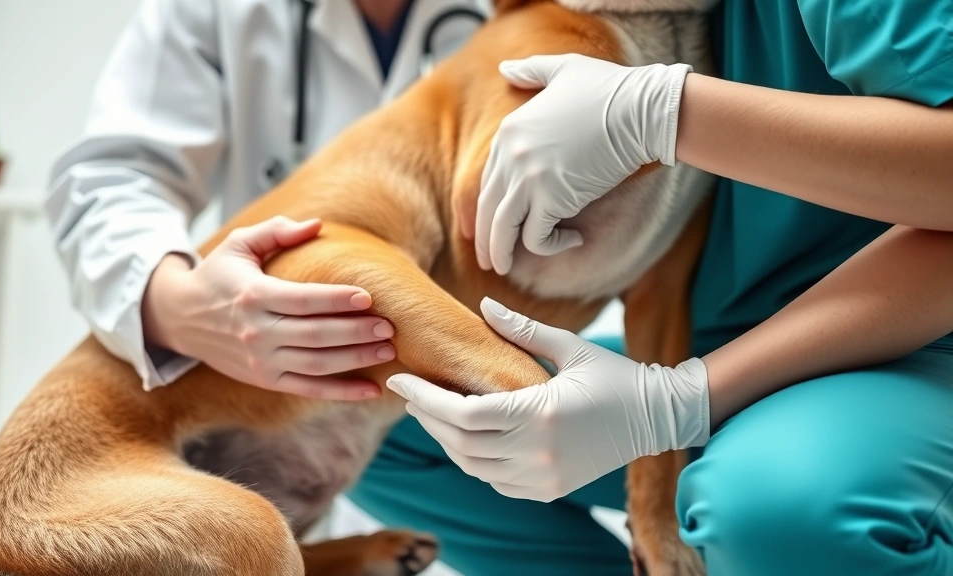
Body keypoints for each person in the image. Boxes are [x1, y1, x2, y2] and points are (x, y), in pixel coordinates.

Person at [351, 2, 953, 575]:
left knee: (777, 514)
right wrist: (263, 262)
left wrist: (664, 112)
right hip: (720, 334)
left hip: (913, 340)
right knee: (368, 402)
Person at [48, 0, 486, 400]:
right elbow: (117, 176)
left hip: (470, 378)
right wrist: (180, 306)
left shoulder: (524, 16)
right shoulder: (215, 11)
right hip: (272, 396)